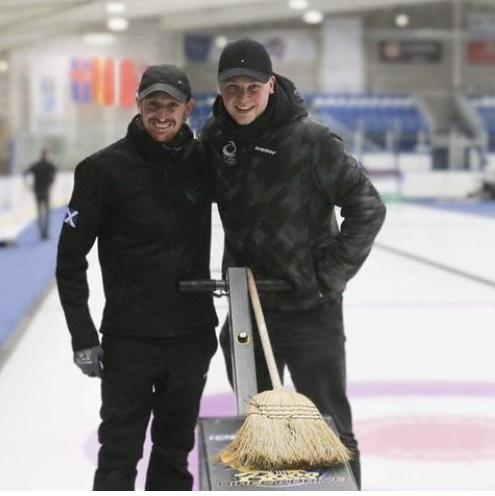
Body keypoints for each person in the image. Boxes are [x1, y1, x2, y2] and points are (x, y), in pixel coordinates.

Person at [200, 38, 387, 489]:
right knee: (262, 433)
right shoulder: (214, 139)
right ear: (220, 90)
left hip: (310, 311)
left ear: (270, 85)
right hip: (248, 310)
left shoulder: (312, 141)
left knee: (330, 430)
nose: (242, 99)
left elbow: (367, 207)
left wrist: (328, 277)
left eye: (252, 88)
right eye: (232, 88)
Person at [56, 64, 218, 491]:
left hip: (192, 336)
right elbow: (70, 260)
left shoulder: (205, 162)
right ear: (138, 104)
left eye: (171, 106)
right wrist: (83, 336)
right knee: (118, 455)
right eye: (153, 104)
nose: (161, 115)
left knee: (174, 454)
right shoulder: (102, 170)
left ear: (188, 109)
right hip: (129, 340)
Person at [23, 148, 57, 239]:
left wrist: (28, 185)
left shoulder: (37, 165)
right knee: (46, 213)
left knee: (41, 213)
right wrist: (50, 183)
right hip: (44, 192)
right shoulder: (49, 166)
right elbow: (53, 177)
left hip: (38, 191)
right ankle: (44, 233)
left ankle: (43, 233)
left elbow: (25, 173)